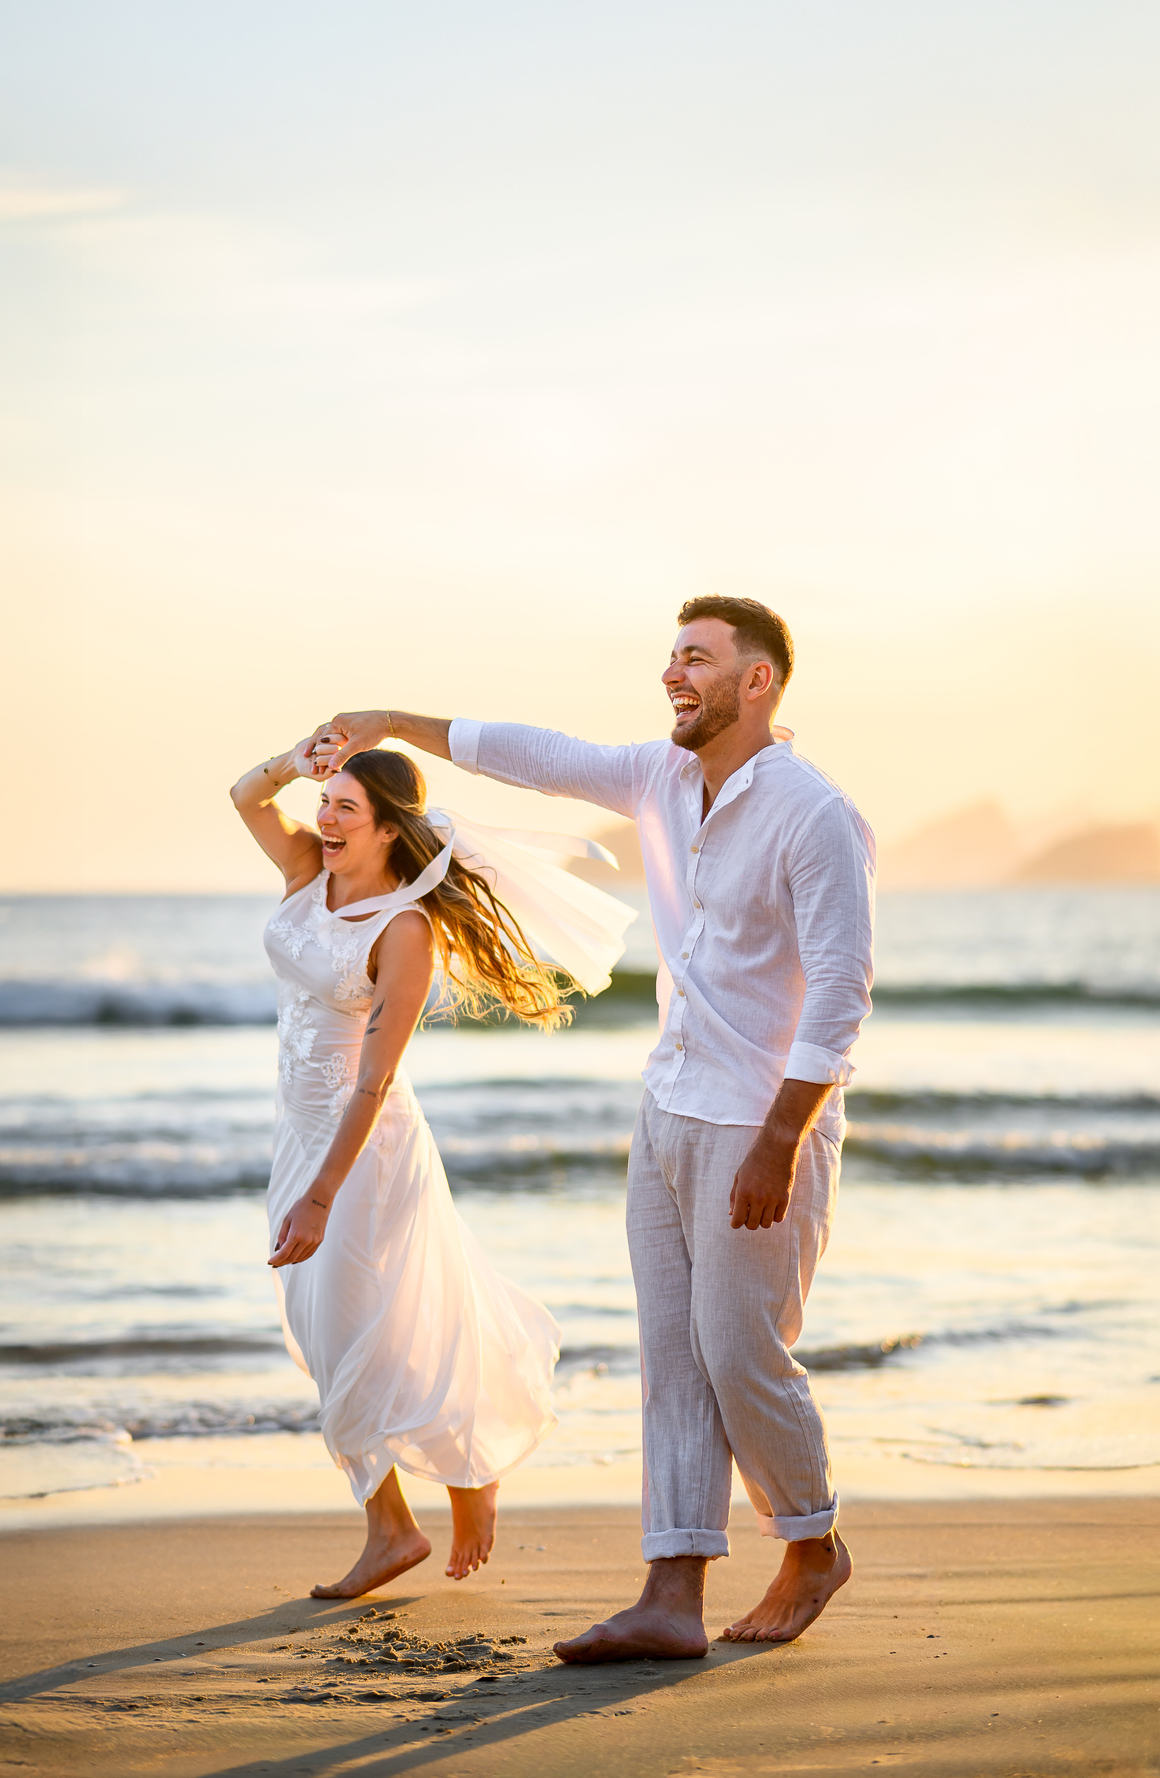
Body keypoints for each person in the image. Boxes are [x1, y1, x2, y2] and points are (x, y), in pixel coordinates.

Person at [319, 594, 876, 1657]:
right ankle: (672, 1594)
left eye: (699, 659)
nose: (675, 674)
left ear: (756, 682)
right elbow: (541, 754)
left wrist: (781, 1137)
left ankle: (813, 1539)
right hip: (667, 1104)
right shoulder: (661, 778)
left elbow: (843, 993)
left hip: (760, 1123)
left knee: (739, 1349)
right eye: (670, 656)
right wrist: (394, 721)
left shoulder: (814, 813)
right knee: (672, 1356)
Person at [230, 737, 630, 1597]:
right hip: (296, 1133)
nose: (325, 817)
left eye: (345, 807)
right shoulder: (310, 870)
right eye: (325, 800)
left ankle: (462, 1480)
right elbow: (244, 798)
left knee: (385, 1326)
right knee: (327, 1332)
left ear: (386, 830)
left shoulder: (405, 929)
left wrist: (321, 1198)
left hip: (363, 1149)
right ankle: (397, 1526)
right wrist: (297, 760)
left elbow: (375, 1076)